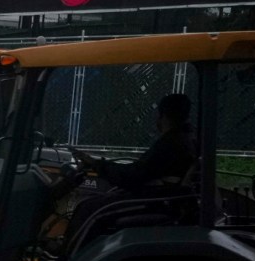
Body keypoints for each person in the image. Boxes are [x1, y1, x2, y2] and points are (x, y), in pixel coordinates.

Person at [61, 91, 196, 248]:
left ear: (163, 116)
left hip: (157, 200)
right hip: (163, 197)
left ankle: (67, 258)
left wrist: (97, 165)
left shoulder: (171, 143)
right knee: (97, 203)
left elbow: (132, 177)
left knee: (90, 211)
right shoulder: (184, 139)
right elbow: (140, 171)